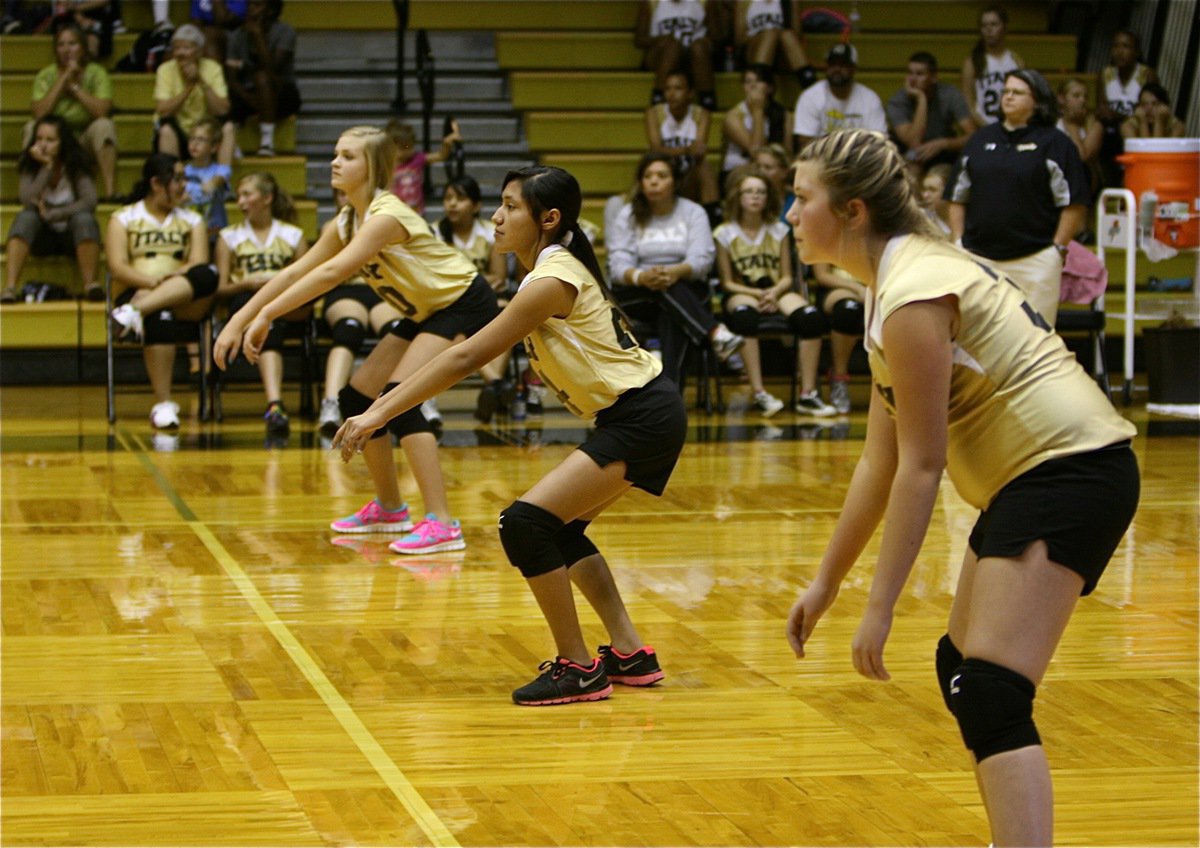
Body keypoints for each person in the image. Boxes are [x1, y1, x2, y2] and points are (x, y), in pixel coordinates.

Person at [784, 127, 1139, 848]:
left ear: (851, 210)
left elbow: (921, 467)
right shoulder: (895, 282)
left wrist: (878, 611)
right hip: (1039, 476)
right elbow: (877, 465)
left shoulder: (914, 291)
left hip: (1069, 471)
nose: (792, 215)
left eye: (801, 198)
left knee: (992, 690)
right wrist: (826, 584)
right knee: (964, 667)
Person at [333, 165, 685, 706]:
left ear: (549, 218)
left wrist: (377, 412)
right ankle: (630, 653)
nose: (496, 217)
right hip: (643, 414)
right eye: (499, 204)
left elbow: (468, 355)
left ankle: (577, 668)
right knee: (559, 530)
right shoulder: (548, 270)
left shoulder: (550, 279)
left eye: (510, 207)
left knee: (523, 524)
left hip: (643, 416)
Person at [213, 125, 498, 553]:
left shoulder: (385, 215)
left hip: (464, 304)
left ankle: (442, 522)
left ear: (372, 167)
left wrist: (267, 315)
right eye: (335, 153)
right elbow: (296, 271)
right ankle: (389, 508)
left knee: (399, 400)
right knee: (357, 401)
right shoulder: (347, 219)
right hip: (426, 310)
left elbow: (331, 274)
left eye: (347, 156)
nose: (334, 162)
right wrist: (239, 318)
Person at [948, 70, 1089, 326]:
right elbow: (957, 195)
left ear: (1036, 101)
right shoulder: (980, 139)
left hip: (1035, 260)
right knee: (975, 340)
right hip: (979, 258)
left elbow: (1074, 203)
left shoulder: (1056, 144)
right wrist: (958, 241)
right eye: (1006, 91)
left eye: (1017, 92)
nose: (1008, 97)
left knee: (1035, 341)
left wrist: (1056, 250)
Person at [607, 152, 742, 387]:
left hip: (684, 287)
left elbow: (702, 260)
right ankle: (713, 332)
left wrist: (675, 273)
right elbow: (618, 266)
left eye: (661, 175)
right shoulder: (627, 215)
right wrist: (642, 277)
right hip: (638, 294)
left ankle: (667, 394)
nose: (654, 181)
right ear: (640, 182)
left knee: (670, 308)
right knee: (667, 296)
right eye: (647, 176)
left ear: (675, 182)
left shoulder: (693, 212)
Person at [106, 153, 220, 429]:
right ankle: (163, 404)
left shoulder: (192, 220)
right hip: (135, 289)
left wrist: (163, 286)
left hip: (178, 294)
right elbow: (118, 267)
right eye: (178, 179)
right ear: (157, 183)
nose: (185, 186)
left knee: (209, 274)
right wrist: (152, 284)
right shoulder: (124, 218)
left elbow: (198, 263)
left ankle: (132, 313)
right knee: (160, 316)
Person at [715, 167, 834, 417]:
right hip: (742, 290)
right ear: (738, 196)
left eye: (760, 192)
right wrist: (758, 294)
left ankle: (808, 394)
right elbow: (726, 282)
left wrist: (773, 293)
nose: (755, 197)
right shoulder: (724, 233)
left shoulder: (779, 230)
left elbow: (788, 275)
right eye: (749, 192)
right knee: (744, 317)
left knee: (811, 318)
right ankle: (759, 392)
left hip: (777, 288)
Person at [215, 172, 308, 435]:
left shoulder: (292, 235)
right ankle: (275, 403)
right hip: (245, 301)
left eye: (247, 194)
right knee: (264, 315)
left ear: (267, 198)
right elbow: (221, 288)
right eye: (239, 195)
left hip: (287, 303)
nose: (241, 201)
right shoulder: (228, 236)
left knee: (273, 312)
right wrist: (247, 284)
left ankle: (275, 404)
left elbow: (305, 279)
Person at [315, 190, 405, 438]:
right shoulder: (333, 227)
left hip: (381, 290)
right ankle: (331, 404)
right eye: (339, 195)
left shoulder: (385, 221)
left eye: (350, 193)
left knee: (398, 329)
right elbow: (327, 271)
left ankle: (416, 400)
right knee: (348, 329)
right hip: (346, 290)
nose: (345, 198)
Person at [3, 115, 101, 303]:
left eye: (50, 140)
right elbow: (27, 199)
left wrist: (55, 214)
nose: (43, 145)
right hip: (42, 236)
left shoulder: (76, 162)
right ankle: (10, 287)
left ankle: (91, 284)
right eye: (39, 139)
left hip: (72, 236)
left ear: (62, 142)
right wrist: (46, 168)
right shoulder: (29, 163)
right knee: (26, 217)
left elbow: (89, 201)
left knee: (84, 218)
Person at [27, 21, 118, 199]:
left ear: (83, 48)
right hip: (53, 140)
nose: (66, 49)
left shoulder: (96, 72)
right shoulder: (45, 76)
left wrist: (75, 88)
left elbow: (102, 112)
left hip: (84, 138)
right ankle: (31, 192)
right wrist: (63, 81)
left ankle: (110, 192)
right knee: (31, 127)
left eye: (72, 43)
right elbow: (39, 114)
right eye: (61, 44)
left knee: (104, 126)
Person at [153, 23, 236, 168]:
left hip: (206, 132)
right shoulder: (165, 70)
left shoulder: (213, 68)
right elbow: (163, 110)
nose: (180, 53)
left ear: (199, 52)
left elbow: (222, 110)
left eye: (186, 48)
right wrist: (188, 88)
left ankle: (222, 184)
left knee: (228, 127)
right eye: (177, 48)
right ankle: (174, 182)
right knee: (166, 130)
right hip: (178, 131)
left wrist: (201, 81)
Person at [224, 0, 300, 157]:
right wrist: (248, 98)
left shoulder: (285, 32)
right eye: (249, 5)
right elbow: (231, 77)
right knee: (222, 91)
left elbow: (272, 69)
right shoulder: (237, 35)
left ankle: (267, 142)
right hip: (249, 94)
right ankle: (232, 142)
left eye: (257, 5)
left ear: (271, 10)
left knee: (262, 77)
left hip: (281, 94)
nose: (251, 10)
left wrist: (258, 35)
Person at [644, 69, 719, 212]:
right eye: (667, 89)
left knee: (703, 165)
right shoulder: (654, 113)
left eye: (678, 88)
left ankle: (713, 219)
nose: (671, 94)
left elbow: (698, 151)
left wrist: (674, 151)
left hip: (688, 174)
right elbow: (655, 149)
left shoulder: (702, 114)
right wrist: (685, 150)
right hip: (663, 172)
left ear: (690, 93)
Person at [886, 51, 975, 171]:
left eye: (920, 74)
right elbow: (913, 142)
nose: (913, 79)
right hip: (908, 154)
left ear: (934, 77)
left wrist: (943, 144)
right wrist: (921, 99)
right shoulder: (897, 101)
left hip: (943, 152)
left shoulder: (950, 94)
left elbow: (973, 136)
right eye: (910, 73)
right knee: (913, 167)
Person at [792, 44, 886, 150]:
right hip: (821, 161)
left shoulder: (870, 99)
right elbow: (805, 143)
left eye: (843, 65)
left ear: (854, 69)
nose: (837, 69)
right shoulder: (810, 97)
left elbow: (879, 142)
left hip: (859, 162)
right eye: (832, 64)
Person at [636, 0, 717, 110]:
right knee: (672, 47)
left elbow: (717, 37)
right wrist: (664, 40)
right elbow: (639, 40)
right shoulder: (651, 3)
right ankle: (658, 98)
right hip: (662, 56)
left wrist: (704, 42)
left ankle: (707, 100)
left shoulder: (704, 2)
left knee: (699, 48)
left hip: (693, 56)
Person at [722, 64, 792, 184]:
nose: (752, 86)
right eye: (747, 81)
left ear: (770, 88)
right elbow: (756, 151)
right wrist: (757, 111)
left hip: (772, 170)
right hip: (738, 170)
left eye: (758, 81)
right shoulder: (733, 117)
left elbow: (787, 152)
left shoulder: (783, 114)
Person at [961, 5, 1023, 127]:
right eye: (984, 25)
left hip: (1012, 126)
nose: (989, 29)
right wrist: (986, 128)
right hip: (983, 127)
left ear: (1004, 27)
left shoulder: (1016, 61)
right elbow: (968, 102)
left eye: (994, 24)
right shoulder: (972, 62)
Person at [732, 0, 814, 90]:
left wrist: (776, 35)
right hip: (753, 51)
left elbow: (797, 35)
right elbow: (739, 39)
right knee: (770, 34)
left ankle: (811, 88)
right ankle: (759, 87)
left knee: (787, 35)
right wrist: (763, 36)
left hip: (781, 52)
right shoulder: (744, 2)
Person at [386, 119, 462, 215]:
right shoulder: (386, 164)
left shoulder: (417, 158)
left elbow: (440, 156)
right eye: (403, 148)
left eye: (410, 146)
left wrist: (446, 143)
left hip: (416, 211)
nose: (408, 151)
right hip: (395, 212)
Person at [182, 117, 232, 237]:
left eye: (201, 140)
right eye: (192, 139)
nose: (194, 143)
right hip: (190, 232)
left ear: (214, 147)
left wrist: (190, 189)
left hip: (215, 231)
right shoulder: (183, 171)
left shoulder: (220, 171)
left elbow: (211, 186)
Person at [1055, 78, 1102, 193]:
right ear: (1061, 99)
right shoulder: (1052, 123)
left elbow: (1081, 157)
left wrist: (1072, 127)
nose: (1082, 100)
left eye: (1085, 97)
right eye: (1076, 96)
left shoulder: (1094, 126)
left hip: (1083, 182)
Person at [1120, 83, 1187, 140]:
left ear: (1165, 106)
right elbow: (1145, 153)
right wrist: (1143, 123)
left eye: (1155, 104)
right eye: (1144, 104)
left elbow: (1158, 152)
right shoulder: (1128, 126)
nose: (1149, 109)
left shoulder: (1177, 127)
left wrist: (1159, 121)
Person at [918, 163, 953, 235]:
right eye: (924, 189)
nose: (925, 195)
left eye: (932, 190)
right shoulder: (921, 219)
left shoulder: (969, 219)